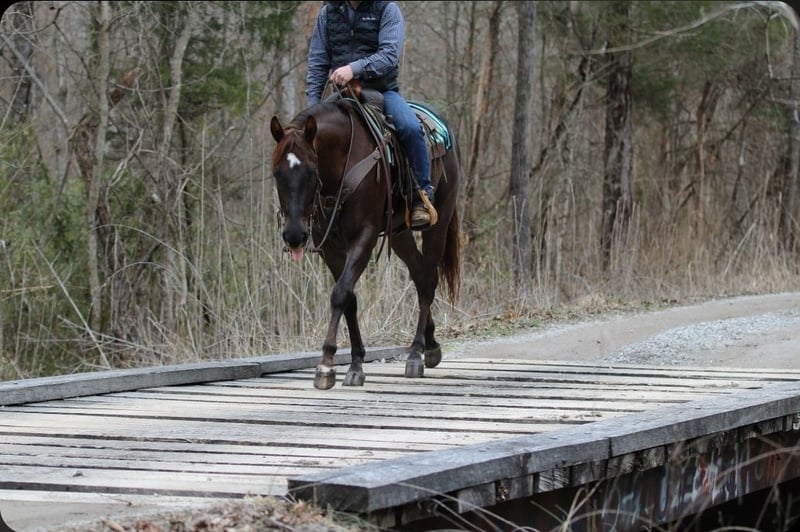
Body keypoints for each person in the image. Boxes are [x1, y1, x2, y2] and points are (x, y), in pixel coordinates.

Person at [306, 0, 436, 228]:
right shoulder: (328, 12)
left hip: (383, 92)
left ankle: (420, 197)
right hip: (342, 95)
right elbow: (317, 62)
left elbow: (389, 55)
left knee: (410, 128)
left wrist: (353, 69)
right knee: (306, 139)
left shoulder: (387, 9)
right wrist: (313, 108)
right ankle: (311, 207)